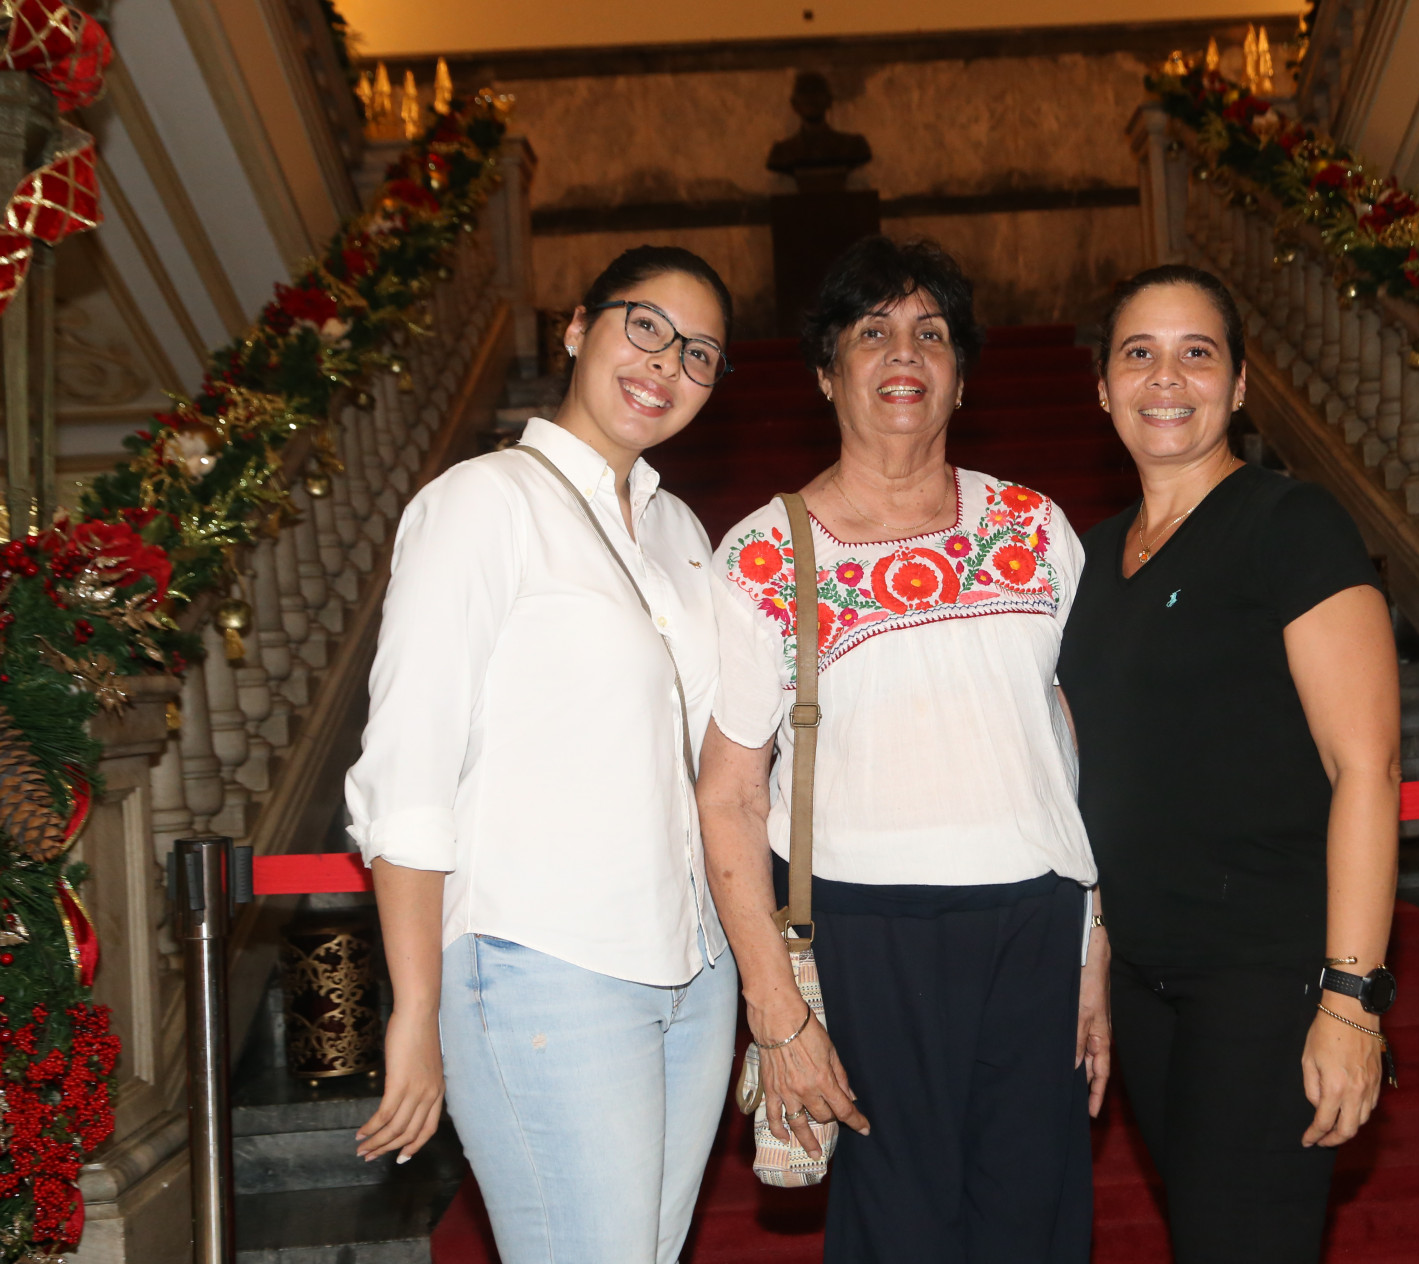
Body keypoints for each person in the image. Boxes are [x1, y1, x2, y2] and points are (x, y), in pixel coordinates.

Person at [698, 235, 1108, 1264]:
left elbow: (1072, 749)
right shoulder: (763, 554)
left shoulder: (1036, 528)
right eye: (872, 331)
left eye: (932, 334)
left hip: (1038, 924)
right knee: (900, 1234)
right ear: (825, 370)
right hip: (865, 931)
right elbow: (730, 795)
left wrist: (1095, 941)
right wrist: (777, 1008)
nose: (904, 355)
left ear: (962, 377)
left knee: (1036, 1225)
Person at [343, 246, 740, 1264]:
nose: (666, 363)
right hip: (541, 963)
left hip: (695, 971)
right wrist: (415, 1008)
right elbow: (408, 771)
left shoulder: (681, 531)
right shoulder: (482, 503)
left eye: (699, 353)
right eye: (644, 326)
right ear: (575, 326)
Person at [1055, 264, 1401, 1263]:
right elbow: (1100, 784)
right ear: (1104, 388)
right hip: (1147, 982)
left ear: (1240, 384)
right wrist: (1099, 956)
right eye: (1139, 353)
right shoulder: (1090, 560)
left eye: (1197, 353)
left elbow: (1367, 768)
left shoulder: (1291, 525)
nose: (1167, 377)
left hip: (1268, 975)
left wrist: (1352, 999)